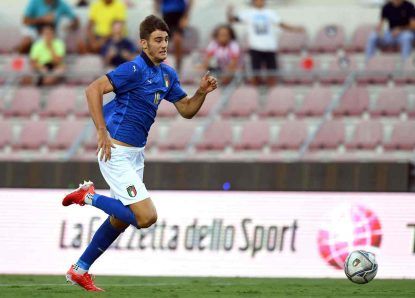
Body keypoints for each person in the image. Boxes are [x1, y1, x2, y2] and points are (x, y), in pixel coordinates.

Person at [61, 15, 217, 292]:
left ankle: (79, 270)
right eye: (158, 40)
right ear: (143, 43)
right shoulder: (133, 69)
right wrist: (101, 132)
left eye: (166, 39)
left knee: (121, 219)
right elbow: (93, 89)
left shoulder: (167, 75)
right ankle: (88, 196)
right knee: (146, 217)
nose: (164, 45)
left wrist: (202, 92)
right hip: (116, 153)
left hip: (135, 156)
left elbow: (187, 110)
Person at [228, 0, 304, 86]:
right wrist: (229, 12)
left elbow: (281, 24)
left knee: (272, 73)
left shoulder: (270, 13)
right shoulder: (248, 13)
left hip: (270, 47)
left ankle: (271, 93)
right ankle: (255, 93)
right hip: (255, 47)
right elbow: (232, 20)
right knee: (255, 73)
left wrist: (295, 29)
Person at [154, 0, 193, 72]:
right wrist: (156, 12)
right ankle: (159, 65)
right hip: (166, 13)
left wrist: (185, 16)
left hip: (179, 13)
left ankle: (178, 66)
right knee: (162, 40)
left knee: (177, 39)